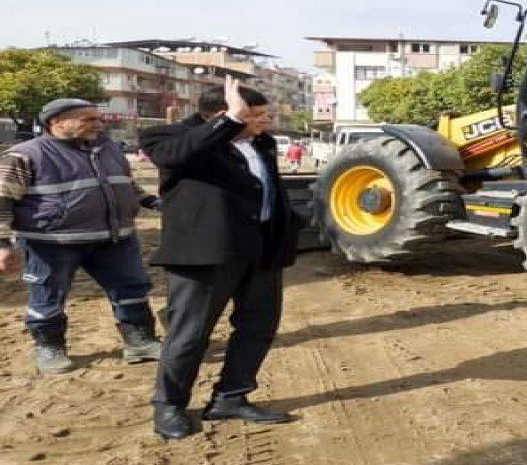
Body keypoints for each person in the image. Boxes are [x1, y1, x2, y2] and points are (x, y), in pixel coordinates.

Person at [142, 77, 302, 440]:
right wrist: (231, 120)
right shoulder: (167, 136)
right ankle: (169, 405)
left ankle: (231, 397)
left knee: (258, 327)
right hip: (207, 254)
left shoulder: (261, 142)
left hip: (261, 252)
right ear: (222, 114)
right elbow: (176, 157)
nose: (265, 121)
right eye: (255, 115)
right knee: (189, 335)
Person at [0, 99, 163, 375]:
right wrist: (2, 244)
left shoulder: (108, 149)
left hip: (115, 238)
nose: (97, 124)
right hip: (51, 242)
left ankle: (140, 341)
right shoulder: (25, 154)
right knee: (48, 296)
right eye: (87, 119)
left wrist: (155, 203)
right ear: (56, 122)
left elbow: (125, 185)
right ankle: (49, 347)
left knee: (132, 290)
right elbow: (2, 199)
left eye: (98, 119)